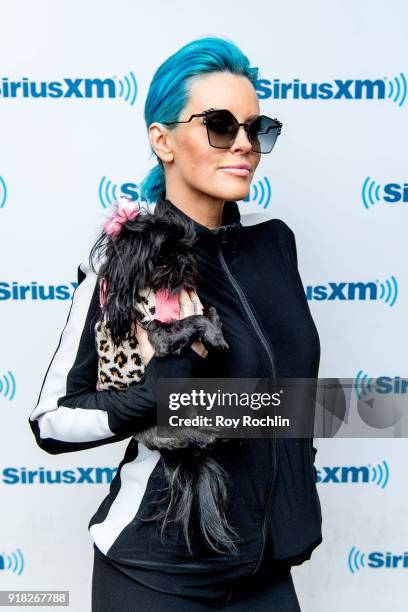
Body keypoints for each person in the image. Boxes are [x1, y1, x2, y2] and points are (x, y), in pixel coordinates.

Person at [28, 36, 322, 611]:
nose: (243, 145)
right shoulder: (127, 259)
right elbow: (51, 422)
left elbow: (290, 401)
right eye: (219, 125)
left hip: (264, 569)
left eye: (256, 128)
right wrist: (159, 397)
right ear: (162, 140)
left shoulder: (274, 243)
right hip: (156, 577)